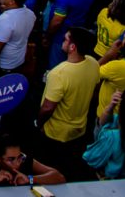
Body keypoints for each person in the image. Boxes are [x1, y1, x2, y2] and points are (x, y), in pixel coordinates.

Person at [37, 27, 100, 180]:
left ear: (72, 47)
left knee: (51, 168)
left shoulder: (59, 73)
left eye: (65, 39)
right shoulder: (93, 63)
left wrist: (38, 123)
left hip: (56, 133)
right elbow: (95, 91)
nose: (63, 42)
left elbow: (48, 107)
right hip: (80, 129)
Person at [0, 0, 35, 72]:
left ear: (12, 2)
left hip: (5, 64)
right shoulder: (31, 14)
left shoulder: (5, 20)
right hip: (19, 60)